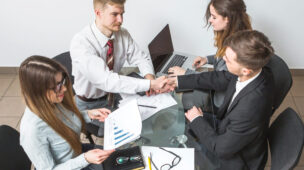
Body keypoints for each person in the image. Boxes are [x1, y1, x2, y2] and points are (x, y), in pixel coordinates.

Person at [167, 30, 274, 169]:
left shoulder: (250, 107)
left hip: (237, 160)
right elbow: (217, 78)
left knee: (177, 147)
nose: (223, 59)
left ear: (245, 70)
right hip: (230, 129)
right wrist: (179, 81)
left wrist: (197, 120)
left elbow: (220, 148)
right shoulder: (256, 71)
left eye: (228, 59)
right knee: (179, 120)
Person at [19, 55, 114, 170]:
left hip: (79, 154)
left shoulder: (52, 101)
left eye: (62, 82)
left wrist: (88, 114)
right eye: (57, 86)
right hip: (76, 163)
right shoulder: (32, 131)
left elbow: (66, 119)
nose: (64, 88)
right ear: (38, 92)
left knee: (127, 159)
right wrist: (85, 159)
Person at [70, 0, 166, 111]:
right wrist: (149, 84)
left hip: (114, 95)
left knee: (149, 114)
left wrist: (150, 78)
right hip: (89, 106)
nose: (120, 20)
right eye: (114, 14)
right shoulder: (81, 42)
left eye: (122, 14)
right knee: (129, 127)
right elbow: (107, 80)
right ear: (98, 13)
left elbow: (141, 58)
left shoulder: (122, 33)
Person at [169, 0, 252, 110]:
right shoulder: (237, 36)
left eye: (213, 17)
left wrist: (186, 73)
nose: (210, 20)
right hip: (217, 85)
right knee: (178, 85)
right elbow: (223, 57)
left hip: (220, 101)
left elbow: (220, 80)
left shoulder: (237, 48)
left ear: (227, 19)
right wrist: (207, 59)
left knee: (176, 101)